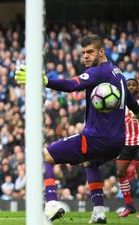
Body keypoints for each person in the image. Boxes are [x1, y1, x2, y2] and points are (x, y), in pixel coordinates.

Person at [15, 34, 139, 223]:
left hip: (96, 138)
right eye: (83, 53)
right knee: (91, 163)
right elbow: (134, 106)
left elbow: (73, 85)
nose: (86, 56)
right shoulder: (119, 75)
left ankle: (51, 203)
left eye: (90, 52)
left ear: (102, 52)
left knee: (45, 155)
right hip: (117, 142)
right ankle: (99, 212)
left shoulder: (99, 72)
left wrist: (44, 81)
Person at [116, 78, 139, 217]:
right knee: (120, 172)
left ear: (137, 87)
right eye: (128, 85)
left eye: (133, 85)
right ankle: (129, 205)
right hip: (126, 142)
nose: (130, 87)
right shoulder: (121, 102)